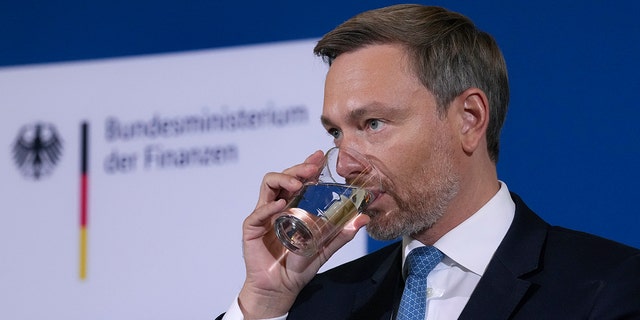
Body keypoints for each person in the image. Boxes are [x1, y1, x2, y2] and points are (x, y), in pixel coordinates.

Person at [218, 4, 640, 319]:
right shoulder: (319, 302)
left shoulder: (610, 287)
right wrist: (263, 300)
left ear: (469, 119)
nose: (344, 164)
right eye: (335, 132)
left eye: (373, 123)